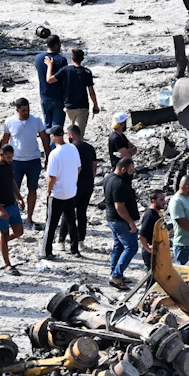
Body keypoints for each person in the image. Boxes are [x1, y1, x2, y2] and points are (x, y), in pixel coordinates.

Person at [0, 98, 48, 226]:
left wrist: (48, 156)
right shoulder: (10, 122)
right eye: (23, 111)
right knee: (13, 189)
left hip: (33, 160)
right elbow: (4, 140)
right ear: (17, 110)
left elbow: (44, 138)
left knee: (32, 188)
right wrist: (0, 158)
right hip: (16, 161)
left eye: (27, 110)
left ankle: (29, 217)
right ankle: (14, 216)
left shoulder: (36, 120)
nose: (26, 113)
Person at [42, 126, 82, 259]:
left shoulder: (54, 153)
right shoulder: (73, 148)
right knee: (71, 220)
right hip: (71, 191)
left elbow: (52, 177)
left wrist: (48, 190)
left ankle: (46, 251)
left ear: (53, 137)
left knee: (51, 223)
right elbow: (79, 167)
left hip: (58, 193)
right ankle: (74, 249)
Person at [0, 144, 23, 273]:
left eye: (12, 157)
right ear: (1, 155)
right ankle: (8, 264)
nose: (10, 159)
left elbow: (11, 181)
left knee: (19, 232)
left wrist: (19, 197)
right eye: (8, 157)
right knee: (4, 234)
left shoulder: (9, 165)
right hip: (1, 205)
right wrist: (0, 209)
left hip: (11, 203)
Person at [105, 157, 139, 289]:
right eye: (130, 171)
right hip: (120, 221)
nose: (132, 173)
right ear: (123, 169)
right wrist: (131, 222)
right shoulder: (119, 184)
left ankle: (115, 273)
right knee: (131, 247)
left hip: (113, 219)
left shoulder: (109, 178)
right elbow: (119, 206)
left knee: (118, 246)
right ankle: (116, 277)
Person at [68, 123, 99, 254]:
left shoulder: (71, 148)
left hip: (75, 184)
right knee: (82, 213)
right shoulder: (90, 148)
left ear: (70, 135)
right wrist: (91, 180)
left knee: (68, 213)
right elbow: (94, 167)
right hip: (88, 184)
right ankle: (81, 240)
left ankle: (64, 240)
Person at [35, 35, 69, 132]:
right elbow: (64, 79)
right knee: (56, 128)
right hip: (58, 97)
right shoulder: (61, 60)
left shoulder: (38, 58)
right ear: (56, 44)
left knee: (47, 125)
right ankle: (53, 147)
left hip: (44, 96)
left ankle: (47, 146)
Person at [62, 48, 99, 135]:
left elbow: (51, 80)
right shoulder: (86, 72)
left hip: (69, 106)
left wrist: (50, 66)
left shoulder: (66, 70)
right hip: (82, 106)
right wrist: (95, 105)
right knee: (79, 133)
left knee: (71, 132)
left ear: (72, 58)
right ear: (82, 59)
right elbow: (91, 91)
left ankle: (72, 147)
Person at [138, 188, 166, 273]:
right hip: (151, 254)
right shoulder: (150, 216)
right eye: (161, 200)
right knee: (153, 280)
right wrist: (148, 249)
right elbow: (141, 235)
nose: (164, 202)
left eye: (164, 199)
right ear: (154, 201)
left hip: (157, 252)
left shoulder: (156, 214)